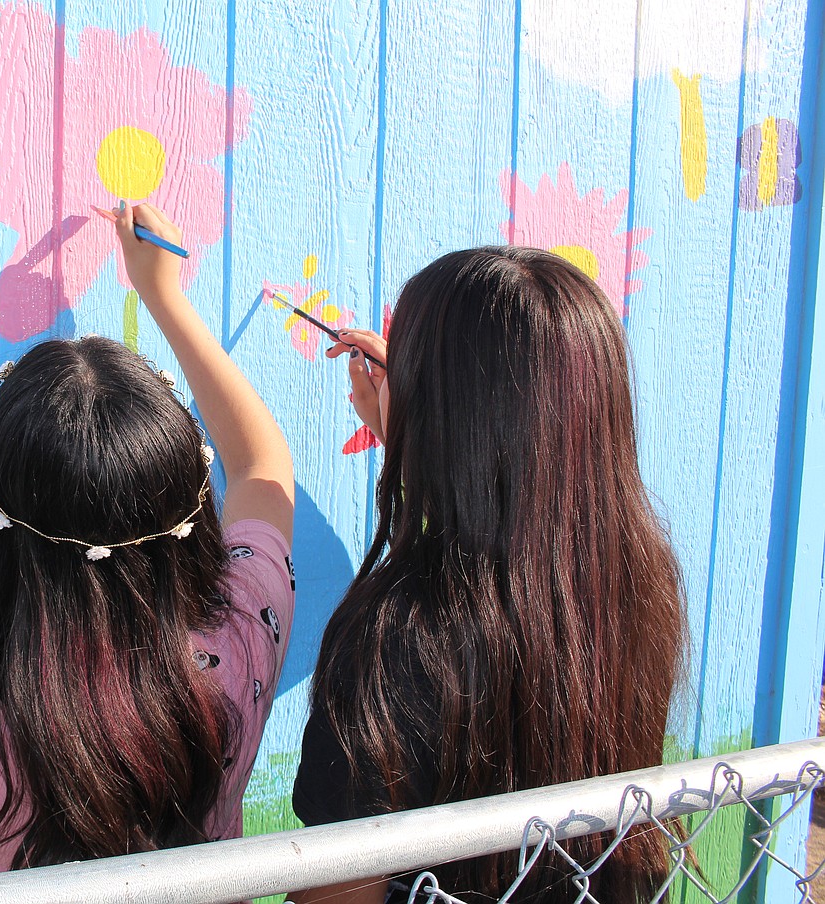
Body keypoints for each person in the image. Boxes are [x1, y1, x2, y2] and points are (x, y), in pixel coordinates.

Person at [0, 204, 295, 882]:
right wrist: (164, 295)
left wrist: (0, 508)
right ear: (189, 510)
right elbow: (260, 468)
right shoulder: (238, 647)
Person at [291, 247, 687, 904]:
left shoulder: (398, 635)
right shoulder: (632, 587)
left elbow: (333, 893)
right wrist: (421, 421)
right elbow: (519, 500)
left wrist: (423, 420)